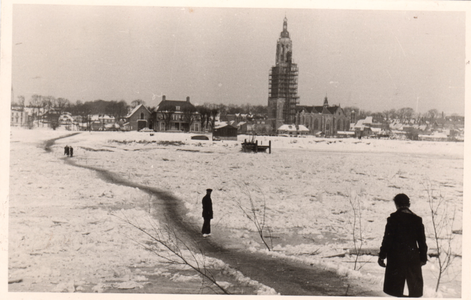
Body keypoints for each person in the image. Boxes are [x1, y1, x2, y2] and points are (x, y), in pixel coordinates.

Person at [378, 193, 428, 297]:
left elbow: (387, 240)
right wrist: (423, 258)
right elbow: (422, 242)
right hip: (412, 257)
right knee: (414, 291)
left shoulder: (393, 219)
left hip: (396, 258)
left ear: (397, 204)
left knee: (395, 291)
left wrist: (382, 256)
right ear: (408, 204)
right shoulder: (417, 220)